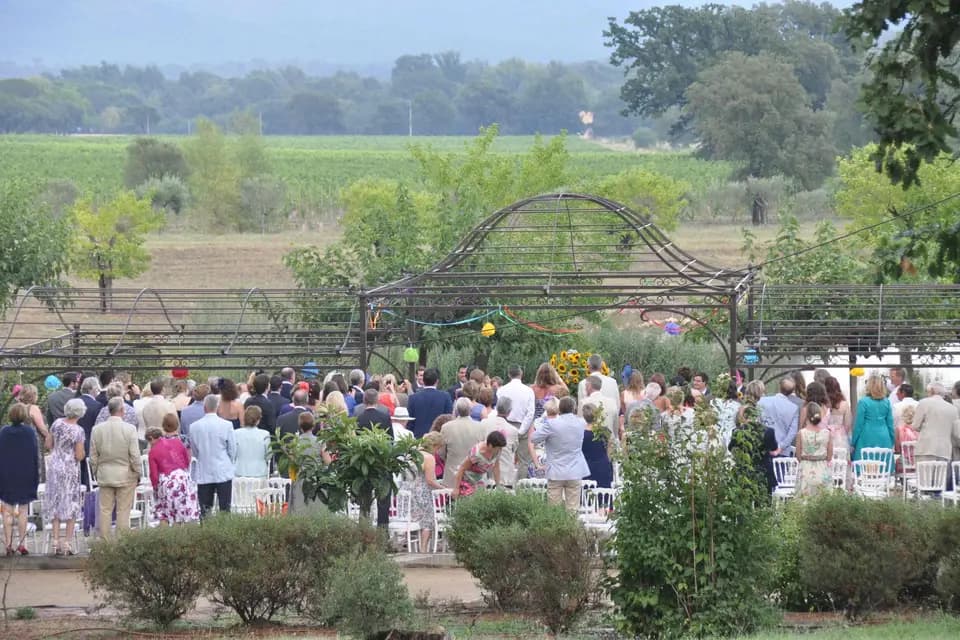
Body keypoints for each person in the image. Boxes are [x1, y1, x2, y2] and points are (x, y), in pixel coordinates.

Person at [91, 397, 141, 539]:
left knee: (105, 510)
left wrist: (96, 472)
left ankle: (105, 542)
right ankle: (121, 542)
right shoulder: (130, 429)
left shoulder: (97, 430)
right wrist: (138, 472)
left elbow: (93, 455)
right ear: (122, 410)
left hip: (105, 474)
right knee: (123, 511)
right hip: (126, 474)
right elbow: (135, 455)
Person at [530, 396, 590, 512]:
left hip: (556, 470)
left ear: (559, 409)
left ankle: (556, 529)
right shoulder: (581, 422)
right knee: (573, 509)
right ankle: (572, 529)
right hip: (575, 469)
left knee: (554, 509)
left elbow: (534, 438)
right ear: (574, 408)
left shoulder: (552, 424)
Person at [44, 398, 86, 555]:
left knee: (55, 501)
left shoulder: (56, 424)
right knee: (71, 504)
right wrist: (82, 454)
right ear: (80, 412)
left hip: (55, 467)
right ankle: (67, 543)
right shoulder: (78, 431)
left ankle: (55, 541)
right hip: (69, 469)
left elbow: (48, 445)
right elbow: (79, 454)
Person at [0, 404, 40, 555]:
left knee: (7, 511)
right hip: (25, 473)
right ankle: (22, 544)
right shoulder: (29, 432)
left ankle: (8, 544)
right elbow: (34, 455)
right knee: (23, 511)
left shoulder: (3, 432)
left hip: (6, 474)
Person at [188, 395, 238, 517]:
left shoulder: (194, 427)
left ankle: (206, 533)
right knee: (225, 509)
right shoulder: (226, 425)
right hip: (223, 470)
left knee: (205, 510)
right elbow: (232, 449)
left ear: (204, 407)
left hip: (204, 470)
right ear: (218, 407)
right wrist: (229, 461)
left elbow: (195, 450)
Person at [148, 413, 199, 525]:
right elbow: (186, 462)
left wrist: (155, 488)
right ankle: (179, 539)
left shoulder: (155, 448)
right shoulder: (180, 442)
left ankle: (167, 539)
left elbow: (153, 474)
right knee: (181, 515)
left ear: (163, 426)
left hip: (165, 482)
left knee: (164, 514)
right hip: (182, 480)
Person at [403, 431, 445, 552]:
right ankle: (423, 548)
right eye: (438, 448)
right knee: (427, 520)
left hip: (406, 491)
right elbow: (430, 480)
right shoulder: (428, 458)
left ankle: (411, 545)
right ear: (435, 445)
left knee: (411, 520)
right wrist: (443, 488)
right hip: (421, 492)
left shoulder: (411, 453)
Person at [441, 398, 489, 489]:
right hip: (474, 475)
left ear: (456, 410)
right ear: (471, 410)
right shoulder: (481, 427)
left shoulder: (446, 427)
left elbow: (442, 453)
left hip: (452, 475)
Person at [852, 373, 895, 472]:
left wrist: (853, 442)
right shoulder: (887, 402)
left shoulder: (863, 402)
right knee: (883, 467)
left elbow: (858, 424)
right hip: (884, 437)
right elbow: (890, 424)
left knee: (865, 467)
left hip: (866, 437)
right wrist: (892, 440)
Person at [912, 382, 960, 463]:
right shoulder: (953, 409)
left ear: (932, 390)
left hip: (925, 448)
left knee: (925, 475)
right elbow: (956, 433)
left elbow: (915, 426)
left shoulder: (924, 403)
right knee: (941, 475)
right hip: (944, 451)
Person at [451, 430, 506, 498]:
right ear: (490, 446)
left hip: (479, 479)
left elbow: (496, 468)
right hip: (466, 478)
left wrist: (498, 485)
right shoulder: (476, 454)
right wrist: (456, 488)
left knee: (481, 498)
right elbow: (462, 469)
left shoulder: (497, 451)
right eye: (499, 448)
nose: (500, 450)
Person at [795, 402, 833, 497]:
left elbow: (798, 456)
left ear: (807, 416)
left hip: (806, 469)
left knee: (804, 500)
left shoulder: (801, 433)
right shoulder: (827, 433)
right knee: (824, 499)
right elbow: (829, 456)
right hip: (822, 469)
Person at [480, 397, 520, 488]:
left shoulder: (484, 423)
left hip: (487, 472)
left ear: (496, 408)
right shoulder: (513, 430)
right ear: (509, 412)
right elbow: (514, 449)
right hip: (505, 474)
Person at [16, 384, 50, 484]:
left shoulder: (18, 407)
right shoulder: (33, 408)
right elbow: (42, 428)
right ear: (33, 395)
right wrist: (49, 437)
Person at [757, 377, 800, 456]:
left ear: (779, 386)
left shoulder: (762, 401)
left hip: (762, 449)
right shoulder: (793, 408)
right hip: (782, 452)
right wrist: (780, 447)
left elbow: (757, 422)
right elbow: (792, 432)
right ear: (792, 391)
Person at [407, 368, 453, 438]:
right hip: (439, 438)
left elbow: (410, 422)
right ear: (437, 381)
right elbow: (449, 420)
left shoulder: (413, 398)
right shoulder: (445, 397)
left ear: (423, 380)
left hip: (418, 439)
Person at [576, 354, 620, 424]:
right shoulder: (612, 382)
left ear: (588, 366)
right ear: (602, 365)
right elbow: (617, 406)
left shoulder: (583, 383)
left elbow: (581, 410)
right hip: (609, 424)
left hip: (590, 427)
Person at [580, 403, 613, 488]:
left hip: (586, 467)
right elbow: (610, 453)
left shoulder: (580, 434)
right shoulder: (605, 431)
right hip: (603, 466)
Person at [497, 365, 536, 435]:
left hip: (503, 426)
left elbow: (497, 410)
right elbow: (530, 413)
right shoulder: (529, 391)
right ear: (521, 373)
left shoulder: (501, 390)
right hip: (521, 426)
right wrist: (521, 431)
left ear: (509, 375)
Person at [234, 406, 271, 478]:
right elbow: (269, 455)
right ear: (258, 420)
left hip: (240, 472)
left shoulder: (236, 433)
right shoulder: (265, 434)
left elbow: (233, 454)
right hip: (260, 472)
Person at [823, 376, 852, 453]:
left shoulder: (823, 404)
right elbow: (848, 424)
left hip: (825, 436)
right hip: (841, 438)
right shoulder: (845, 404)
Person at [712, 379, 741, 448]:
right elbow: (738, 422)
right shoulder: (738, 405)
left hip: (715, 435)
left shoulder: (713, 402)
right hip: (730, 436)